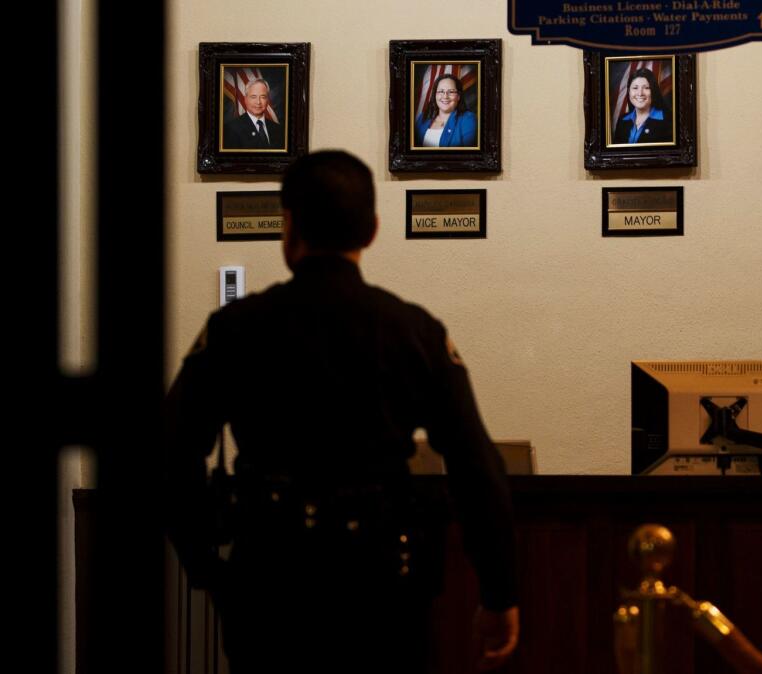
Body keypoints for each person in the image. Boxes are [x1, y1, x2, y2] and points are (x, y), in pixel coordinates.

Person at [164, 150, 518, 673]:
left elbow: (171, 452)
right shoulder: (414, 332)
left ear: (287, 227)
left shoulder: (235, 328)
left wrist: (206, 568)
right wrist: (499, 591)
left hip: (270, 580)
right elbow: (475, 467)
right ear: (372, 230)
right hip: (381, 584)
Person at [414, 72, 478, 148]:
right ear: (435, 95)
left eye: (451, 92)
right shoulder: (422, 117)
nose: (445, 96)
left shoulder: (468, 119)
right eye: (441, 91)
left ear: (458, 96)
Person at [612, 68, 672, 145]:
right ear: (629, 92)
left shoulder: (668, 120)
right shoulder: (622, 120)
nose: (640, 93)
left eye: (646, 88)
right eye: (635, 88)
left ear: (653, 91)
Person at [223, 79, 285, 150]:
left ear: (267, 100)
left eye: (263, 97)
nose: (258, 102)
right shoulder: (231, 129)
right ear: (245, 100)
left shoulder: (278, 129)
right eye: (253, 97)